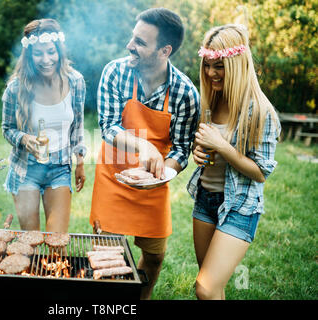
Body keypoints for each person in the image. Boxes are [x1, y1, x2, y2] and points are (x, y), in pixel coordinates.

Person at [90, 8, 200, 299]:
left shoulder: (185, 93)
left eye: (140, 41)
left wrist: (163, 173)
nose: (130, 45)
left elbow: (181, 148)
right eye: (132, 37)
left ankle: (142, 299)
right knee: (110, 259)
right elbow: (109, 127)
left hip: (154, 181)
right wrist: (144, 145)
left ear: (165, 50)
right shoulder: (115, 72)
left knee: (155, 258)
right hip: (113, 178)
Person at [187, 24, 281, 300]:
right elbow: (205, 146)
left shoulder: (260, 110)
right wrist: (198, 153)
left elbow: (261, 172)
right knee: (212, 286)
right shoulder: (211, 100)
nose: (211, 73)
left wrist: (222, 147)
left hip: (240, 206)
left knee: (205, 287)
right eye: (207, 65)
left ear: (237, 64)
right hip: (206, 199)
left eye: (219, 66)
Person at [2, 19, 86, 233]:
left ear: (59, 51)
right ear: (29, 55)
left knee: (57, 242)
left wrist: (80, 162)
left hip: (59, 168)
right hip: (25, 169)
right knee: (30, 242)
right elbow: (7, 128)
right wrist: (23, 138)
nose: (46, 59)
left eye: (51, 52)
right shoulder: (16, 87)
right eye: (38, 53)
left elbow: (77, 127)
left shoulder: (75, 81)